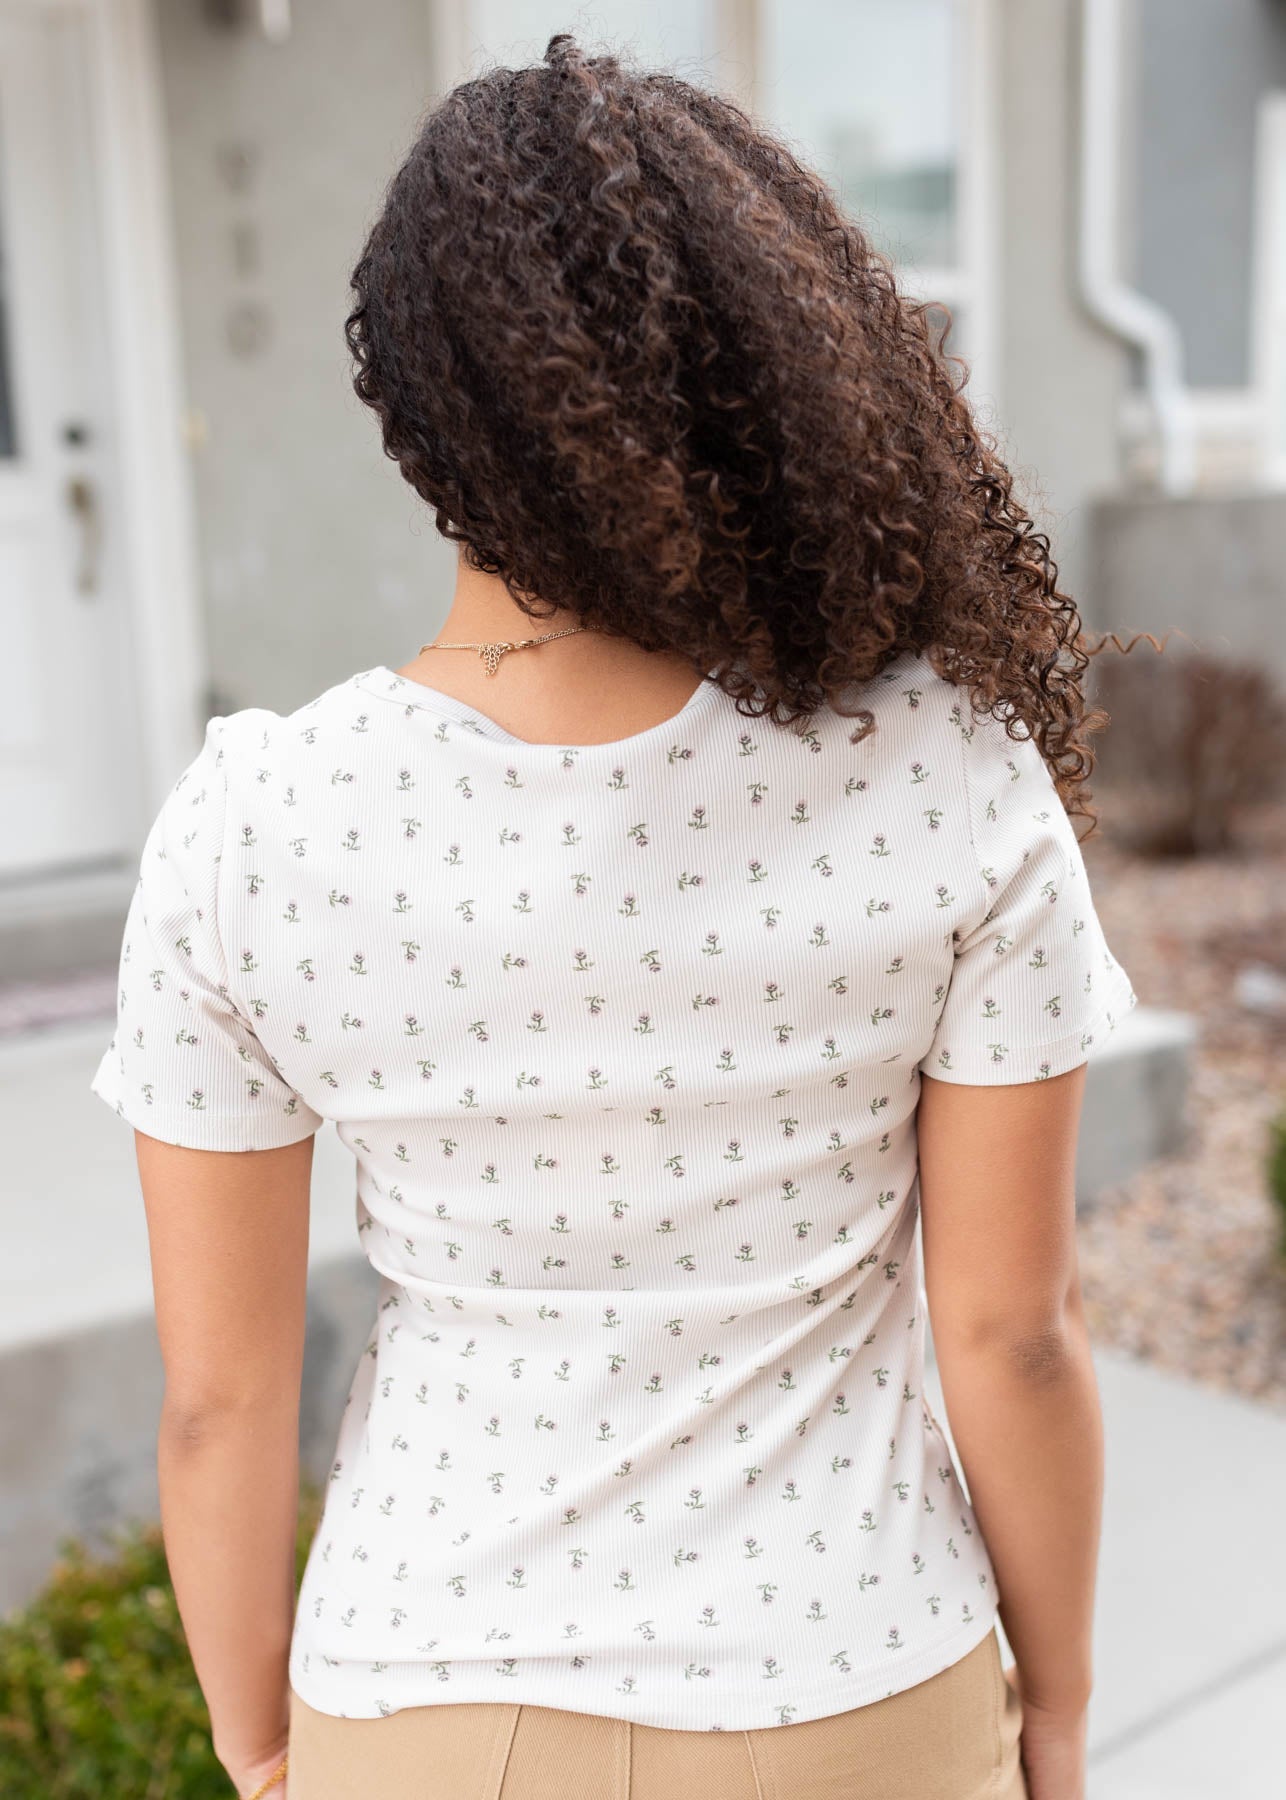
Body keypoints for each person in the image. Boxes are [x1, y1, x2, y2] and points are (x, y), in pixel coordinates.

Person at [90, 32, 1137, 1800]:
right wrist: (1056, 1698)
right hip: (859, 1685)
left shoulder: (252, 827)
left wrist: (263, 1740)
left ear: (411, 407)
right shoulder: (945, 778)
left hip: (421, 1697)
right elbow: (1011, 1337)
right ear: (763, 376)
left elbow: (217, 1403)